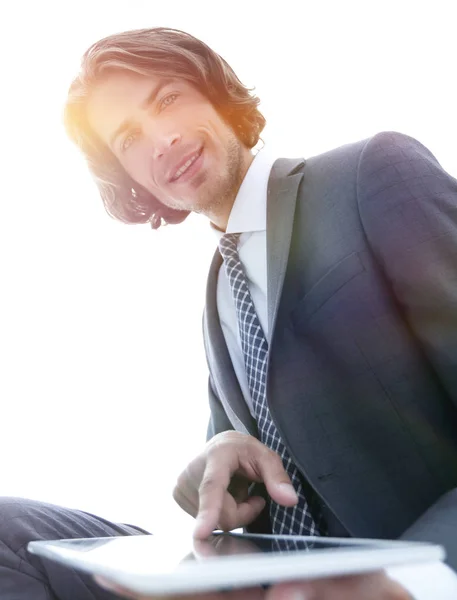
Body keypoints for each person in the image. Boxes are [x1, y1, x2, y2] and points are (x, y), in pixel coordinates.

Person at [1, 26, 457, 600]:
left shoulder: (369, 175)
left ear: (217, 94)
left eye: (167, 99)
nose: (161, 139)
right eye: (129, 139)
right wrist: (214, 459)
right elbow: (250, 488)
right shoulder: (218, 297)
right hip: (254, 582)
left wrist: (418, 580)